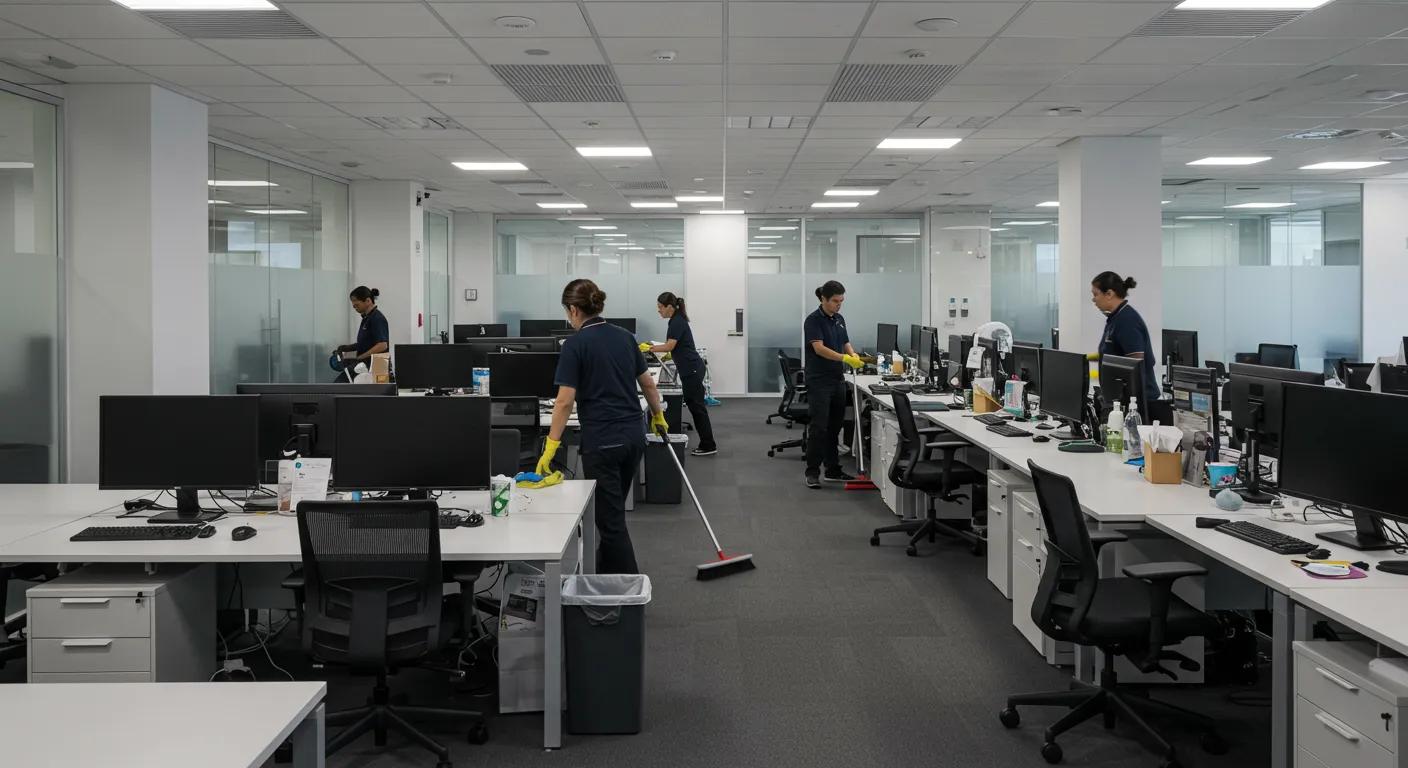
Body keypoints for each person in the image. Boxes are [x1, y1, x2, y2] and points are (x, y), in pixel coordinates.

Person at [537, 279, 667, 574]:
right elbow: (647, 382)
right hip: (634, 436)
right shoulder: (625, 337)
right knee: (612, 511)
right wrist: (658, 416)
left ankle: (628, 594)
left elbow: (564, 402)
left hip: (603, 441)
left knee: (610, 522)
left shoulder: (575, 344)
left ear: (573, 310)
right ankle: (605, 574)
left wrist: (552, 445)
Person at [802, 280, 865, 489]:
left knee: (834, 427)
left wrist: (852, 353)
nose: (839, 305)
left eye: (841, 301)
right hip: (819, 381)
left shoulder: (839, 319)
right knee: (819, 427)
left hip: (837, 379)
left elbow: (845, 341)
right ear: (823, 299)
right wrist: (844, 359)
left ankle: (832, 469)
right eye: (835, 301)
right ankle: (812, 472)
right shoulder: (813, 321)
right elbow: (819, 349)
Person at [642, 292, 717, 457]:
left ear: (669, 307)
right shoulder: (676, 320)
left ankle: (708, 444)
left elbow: (669, 346)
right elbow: (674, 347)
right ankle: (707, 442)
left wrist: (650, 348)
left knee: (697, 408)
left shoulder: (676, 322)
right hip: (691, 368)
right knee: (695, 406)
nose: (659, 310)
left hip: (692, 369)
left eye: (660, 307)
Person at [1090, 271, 1162, 404]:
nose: (1093, 299)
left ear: (1109, 294)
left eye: (1096, 294)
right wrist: (1087, 359)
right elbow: (1112, 355)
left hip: (1139, 403)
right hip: (1122, 399)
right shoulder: (1114, 318)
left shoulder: (1127, 320)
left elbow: (1135, 364)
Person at [334, 286, 389, 380]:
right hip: (365, 365)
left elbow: (382, 345)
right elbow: (365, 345)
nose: (354, 306)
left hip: (377, 366)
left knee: (340, 385)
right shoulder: (366, 318)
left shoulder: (377, 318)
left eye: (356, 304)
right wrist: (346, 351)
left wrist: (360, 357)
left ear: (368, 301)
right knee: (340, 384)